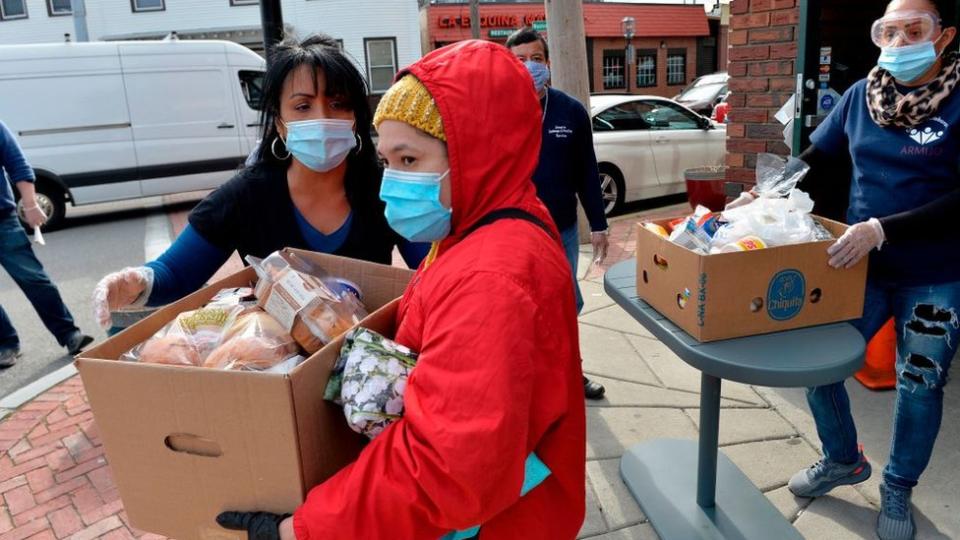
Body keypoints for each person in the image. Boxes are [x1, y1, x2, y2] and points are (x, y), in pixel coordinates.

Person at [217, 40, 586, 539]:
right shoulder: (482, 226)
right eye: (388, 159)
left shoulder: (490, 277)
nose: (392, 182)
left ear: (479, 153)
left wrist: (301, 529)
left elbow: (443, 472)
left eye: (410, 159)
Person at [728, 2, 960, 538]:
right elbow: (815, 155)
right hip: (860, 263)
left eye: (914, 29)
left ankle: (898, 489)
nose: (899, 41)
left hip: (935, 272)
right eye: (888, 30)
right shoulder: (862, 95)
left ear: (944, 36)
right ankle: (842, 459)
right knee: (817, 361)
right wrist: (765, 193)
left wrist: (885, 227)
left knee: (920, 384)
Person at [92, 35, 428, 326]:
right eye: (303, 106)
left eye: (338, 103)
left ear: (356, 118)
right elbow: (176, 274)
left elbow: (433, 268)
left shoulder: (386, 190)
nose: (322, 117)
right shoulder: (245, 197)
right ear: (280, 124)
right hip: (278, 363)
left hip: (370, 362)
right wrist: (136, 283)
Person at [506, 27, 610, 400]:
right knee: (519, 309)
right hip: (513, 232)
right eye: (519, 60)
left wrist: (598, 224)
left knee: (566, 306)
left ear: (548, 63)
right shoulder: (497, 109)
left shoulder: (570, 111)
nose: (529, 67)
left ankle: (570, 373)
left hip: (561, 230)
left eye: (536, 59)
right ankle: (527, 377)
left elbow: (586, 169)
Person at [0, 120, 93, 367]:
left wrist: (30, 205)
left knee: (34, 279)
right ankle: (6, 344)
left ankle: (69, 334)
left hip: (3, 220)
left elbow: (17, 164)